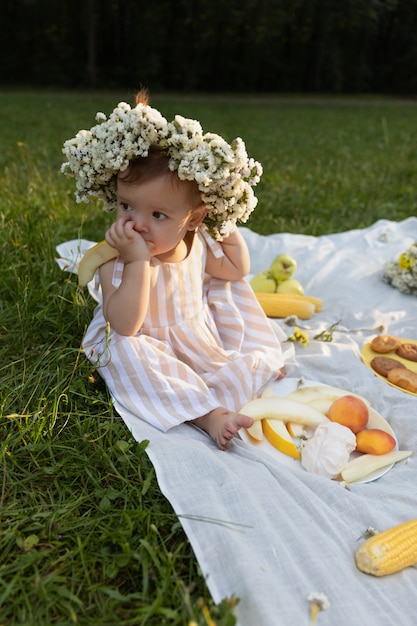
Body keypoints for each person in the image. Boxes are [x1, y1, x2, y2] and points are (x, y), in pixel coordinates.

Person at [62, 90, 288, 450]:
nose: (137, 223)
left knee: (231, 293)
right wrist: (137, 261)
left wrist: (223, 216)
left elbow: (235, 269)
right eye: (126, 207)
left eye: (158, 215)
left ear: (192, 219)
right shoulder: (114, 259)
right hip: (145, 345)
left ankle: (248, 371)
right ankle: (205, 414)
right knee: (122, 353)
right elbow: (125, 326)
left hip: (196, 338)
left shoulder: (194, 243)